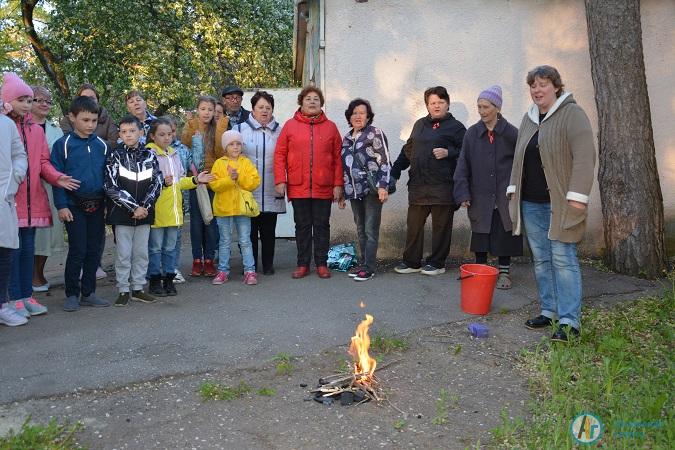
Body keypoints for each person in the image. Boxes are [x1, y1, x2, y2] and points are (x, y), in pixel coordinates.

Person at [507, 65, 595, 342]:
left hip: (561, 204)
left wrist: (578, 197)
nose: (536, 90)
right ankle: (549, 311)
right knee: (542, 261)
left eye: (542, 84)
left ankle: (570, 321)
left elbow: (584, 157)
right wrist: (513, 191)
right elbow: (518, 158)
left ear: (556, 86)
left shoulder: (572, 114)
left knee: (563, 260)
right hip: (531, 204)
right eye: (533, 85)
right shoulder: (529, 119)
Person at [2, 73, 80, 319]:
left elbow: (43, 162)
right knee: (11, 253)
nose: (27, 104)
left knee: (27, 249)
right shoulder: (6, 127)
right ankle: (12, 298)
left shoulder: (36, 131)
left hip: (32, 199)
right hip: (10, 201)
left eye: (29, 99)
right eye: (24, 99)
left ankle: (25, 295)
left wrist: (57, 177)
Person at [391, 86, 466, 276]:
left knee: (441, 228)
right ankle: (412, 262)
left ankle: (437, 263)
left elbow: (467, 153)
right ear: (427, 105)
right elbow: (408, 149)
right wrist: (395, 170)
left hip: (443, 186)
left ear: (447, 104)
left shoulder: (456, 128)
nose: (437, 106)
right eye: (433, 103)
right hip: (418, 185)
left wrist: (449, 152)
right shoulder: (419, 125)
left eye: (441, 102)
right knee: (414, 226)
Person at [453, 85, 522, 289]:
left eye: (486, 107)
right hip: (480, 193)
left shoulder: (511, 133)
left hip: (504, 193)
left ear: (497, 107)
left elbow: (521, 163)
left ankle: (504, 273)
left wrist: (517, 190)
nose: (482, 111)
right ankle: (481, 270)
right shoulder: (472, 134)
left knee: (504, 232)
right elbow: (463, 164)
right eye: (479, 107)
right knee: (481, 233)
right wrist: (462, 192)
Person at [274, 86, 343, 279]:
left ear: (321, 103)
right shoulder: (289, 126)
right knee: (302, 226)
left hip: (324, 186)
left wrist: (338, 184)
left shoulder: (331, 127)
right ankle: (303, 264)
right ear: (301, 102)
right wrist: (281, 180)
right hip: (298, 186)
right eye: (308, 99)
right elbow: (280, 155)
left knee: (322, 225)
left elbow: (338, 157)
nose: (312, 102)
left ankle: (321, 263)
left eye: (316, 99)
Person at [51, 96, 111, 312]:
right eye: (85, 120)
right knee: (78, 249)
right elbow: (57, 178)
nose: (90, 125)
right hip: (73, 205)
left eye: (94, 120)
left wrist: (107, 206)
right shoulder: (63, 145)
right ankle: (72, 294)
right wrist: (62, 206)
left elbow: (109, 178)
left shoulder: (103, 146)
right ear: (72, 117)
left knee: (94, 249)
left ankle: (89, 292)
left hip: (97, 205)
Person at [147, 118, 213, 296]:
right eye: (161, 134)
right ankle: (154, 280)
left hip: (174, 211)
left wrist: (196, 179)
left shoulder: (174, 154)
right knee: (154, 248)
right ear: (152, 136)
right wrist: (161, 181)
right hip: (156, 212)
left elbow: (179, 182)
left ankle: (169, 279)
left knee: (170, 248)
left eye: (169, 134)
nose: (166, 138)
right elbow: (145, 182)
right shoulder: (148, 154)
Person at [104, 115, 163, 306]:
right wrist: (133, 207)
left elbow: (157, 182)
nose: (128, 135)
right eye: (124, 132)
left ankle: (138, 288)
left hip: (144, 214)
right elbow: (111, 186)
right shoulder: (115, 156)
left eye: (132, 131)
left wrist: (144, 207)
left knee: (141, 252)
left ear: (141, 132)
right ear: (119, 134)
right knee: (123, 253)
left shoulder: (150, 155)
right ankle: (123, 289)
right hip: (123, 215)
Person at [338, 98, 391, 282]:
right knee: (360, 229)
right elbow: (343, 168)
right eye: (354, 113)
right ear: (349, 116)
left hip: (371, 189)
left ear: (368, 116)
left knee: (370, 229)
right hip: (353, 192)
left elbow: (384, 161)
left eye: (362, 112)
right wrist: (343, 193)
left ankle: (369, 267)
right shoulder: (346, 138)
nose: (358, 116)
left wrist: (383, 186)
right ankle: (363, 263)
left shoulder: (375, 133)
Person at [181, 96, 228, 277]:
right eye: (203, 109)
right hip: (195, 180)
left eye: (210, 110)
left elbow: (219, 151)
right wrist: (191, 126)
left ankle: (209, 259)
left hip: (212, 181)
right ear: (197, 110)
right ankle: (196, 259)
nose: (207, 113)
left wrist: (221, 125)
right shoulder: (191, 126)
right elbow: (184, 148)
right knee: (196, 223)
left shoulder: (218, 128)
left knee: (211, 222)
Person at [239, 91, 285, 275]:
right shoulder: (240, 129)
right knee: (248, 232)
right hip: (248, 188)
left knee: (268, 230)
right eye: (261, 107)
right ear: (253, 109)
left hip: (271, 185)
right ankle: (249, 266)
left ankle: (268, 265)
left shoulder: (280, 131)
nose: (264, 111)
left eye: (268, 107)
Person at [209, 130, 260, 285]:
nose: (235, 147)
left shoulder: (246, 163)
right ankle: (223, 271)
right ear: (225, 147)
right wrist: (230, 180)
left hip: (242, 209)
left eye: (238, 144)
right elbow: (214, 185)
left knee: (245, 240)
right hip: (223, 210)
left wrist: (239, 177)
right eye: (231, 144)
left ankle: (250, 271)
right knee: (224, 241)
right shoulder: (219, 164)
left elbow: (254, 182)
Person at [31, 85, 65, 292]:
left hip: (51, 187)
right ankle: (25, 277)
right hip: (27, 186)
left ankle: (38, 275)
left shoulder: (55, 129)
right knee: (28, 234)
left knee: (47, 234)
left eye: (48, 101)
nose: (44, 104)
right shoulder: (18, 126)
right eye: (38, 100)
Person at [0, 105, 28, 326]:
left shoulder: (7, 124)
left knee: (4, 254)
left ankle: (2, 305)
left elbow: (19, 155)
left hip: (4, 198)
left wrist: (16, 176)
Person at [165, 115, 191, 284]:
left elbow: (188, 171)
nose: (169, 136)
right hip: (160, 202)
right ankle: (157, 269)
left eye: (172, 131)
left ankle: (172, 268)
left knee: (175, 237)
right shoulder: (151, 151)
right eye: (164, 133)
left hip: (178, 201)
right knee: (158, 239)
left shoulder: (182, 150)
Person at [60, 83, 118, 148]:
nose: (89, 101)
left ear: (98, 100)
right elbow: (68, 143)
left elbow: (113, 144)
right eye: (84, 98)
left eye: (92, 98)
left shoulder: (108, 120)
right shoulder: (67, 120)